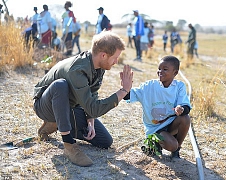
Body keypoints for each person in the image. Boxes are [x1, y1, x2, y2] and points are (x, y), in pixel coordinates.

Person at [33, 30, 133, 167]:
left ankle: (53, 124)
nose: (116, 62)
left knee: (105, 141)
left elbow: (92, 96)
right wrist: (124, 91)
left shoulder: (98, 65)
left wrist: (90, 122)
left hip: (70, 105)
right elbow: (94, 108)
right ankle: (68, 144)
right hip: (45, 105)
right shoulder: (78, 69)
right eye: (115, 58)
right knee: (60, 85)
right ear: (103, 55)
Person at [124, 55, 191, 158]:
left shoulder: (179, 86)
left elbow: (185, 106)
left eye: (165, 69)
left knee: (185, 118)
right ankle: (154, 143)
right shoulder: (149, 86)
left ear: (175, 73)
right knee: (172, 145)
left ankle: (177, 149)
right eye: (159, 69)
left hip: (171, 125)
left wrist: (181, 109)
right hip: (155, 128)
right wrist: (125, 88)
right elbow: (129, 95)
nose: (160, 71)